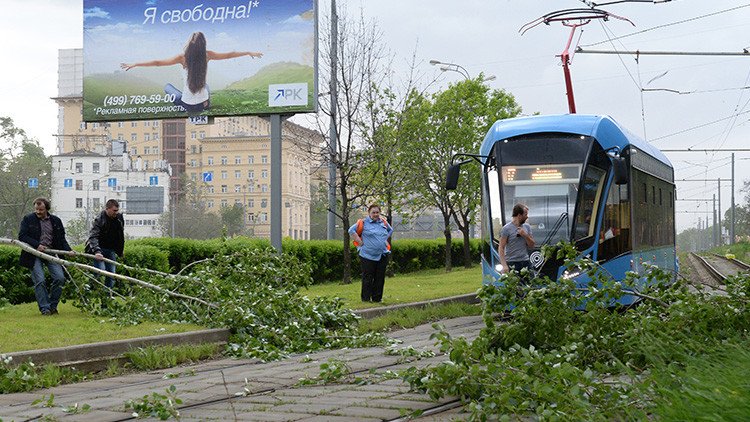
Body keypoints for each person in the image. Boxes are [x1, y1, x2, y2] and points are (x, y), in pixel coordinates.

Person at [120, 31, 263, 113]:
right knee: (205, 86)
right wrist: (248, 52)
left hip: (187, 105)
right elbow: (229, 54)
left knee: (167, 87)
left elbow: (158, 63)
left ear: (189, 43)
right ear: (204, 44)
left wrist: (136, 64)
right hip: (204, 104)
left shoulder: (182, 58)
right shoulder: (208, 55)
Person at [18, 197, 72, 315]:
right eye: (36, 209)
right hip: (33, 253)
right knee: (40, 280)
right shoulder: (28, 219)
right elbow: (22, 236)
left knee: (60, 278)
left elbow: (62, 239)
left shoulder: (56, 221)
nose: (38, 212)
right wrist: (37, 245)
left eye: (41, 209)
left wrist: (69, 251)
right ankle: (45, 308)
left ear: (46, 209)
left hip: (51, 252)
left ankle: (53, 306)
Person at [349, 204, 393, 302]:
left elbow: (390, 230)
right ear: (369, 213)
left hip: (382, 254)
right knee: (368, 278)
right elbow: (351, 230)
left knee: (380, 278)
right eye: (373, 212)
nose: (376, 214)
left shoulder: (383, 222)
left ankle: (377, 298)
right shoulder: (363, 222)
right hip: (367, 255)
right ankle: (366, 299)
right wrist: (359, 242)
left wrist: (384, 239)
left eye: (377, 212)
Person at [86, 199, 125, 291]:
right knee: (100, 272)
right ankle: (89, 289)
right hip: (99, 250)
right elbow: (93, 236)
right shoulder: (99, 219)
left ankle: (106, 300)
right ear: (107, 209)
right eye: (114, 210)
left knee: (111, 275)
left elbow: (120, 236)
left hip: (110, 250)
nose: (116, 212)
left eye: (117, 210)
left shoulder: (119, 218)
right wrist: (97, 251)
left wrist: (120, 251)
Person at [498, 203, 535, 274]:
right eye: (525, 214)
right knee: (514, 284)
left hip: (525, 261)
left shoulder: (527, 227)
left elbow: (532, 245)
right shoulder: (506, 229)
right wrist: (504, 265)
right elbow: (501, 247)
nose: (527, 217)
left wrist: (525, 235)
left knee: (531, 283)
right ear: (519, 215)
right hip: (512, 262)